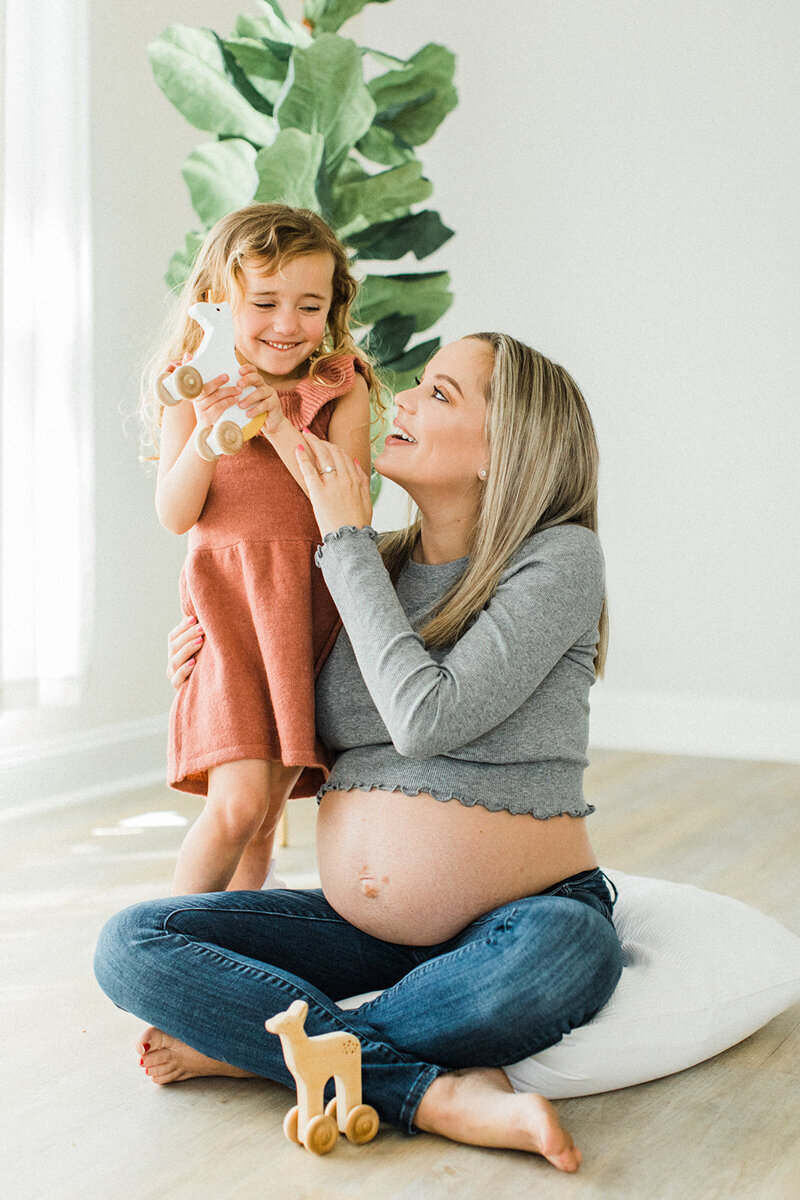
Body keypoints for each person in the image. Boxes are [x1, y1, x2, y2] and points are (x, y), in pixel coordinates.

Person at [96, 333, 622, 1172]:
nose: (403, 401)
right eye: (418, 384)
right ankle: (425, 1088)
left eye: (442, 394)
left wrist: (341, 536)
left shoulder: (558, 558)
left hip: (520, 918)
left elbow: (427, 717)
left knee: (571, 955)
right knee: (133, 940)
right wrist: (209, 660)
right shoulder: (367, 563)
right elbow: (280, 700)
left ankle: (265, 1050)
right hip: (362, 931)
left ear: (507, 448)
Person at [143, 203, 378, 893]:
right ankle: (167, 945)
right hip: (229, 617)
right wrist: (209, 434)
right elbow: (175, 513)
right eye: (265, 302)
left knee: (268, 809)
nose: (286, 324)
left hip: (306, 616)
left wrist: (275, 424)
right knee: (238, 802)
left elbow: (350, 507)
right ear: (220, 301)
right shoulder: (192, 382)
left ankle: (237, 949)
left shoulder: (340, 384)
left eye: (310, 305)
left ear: (334, 307)